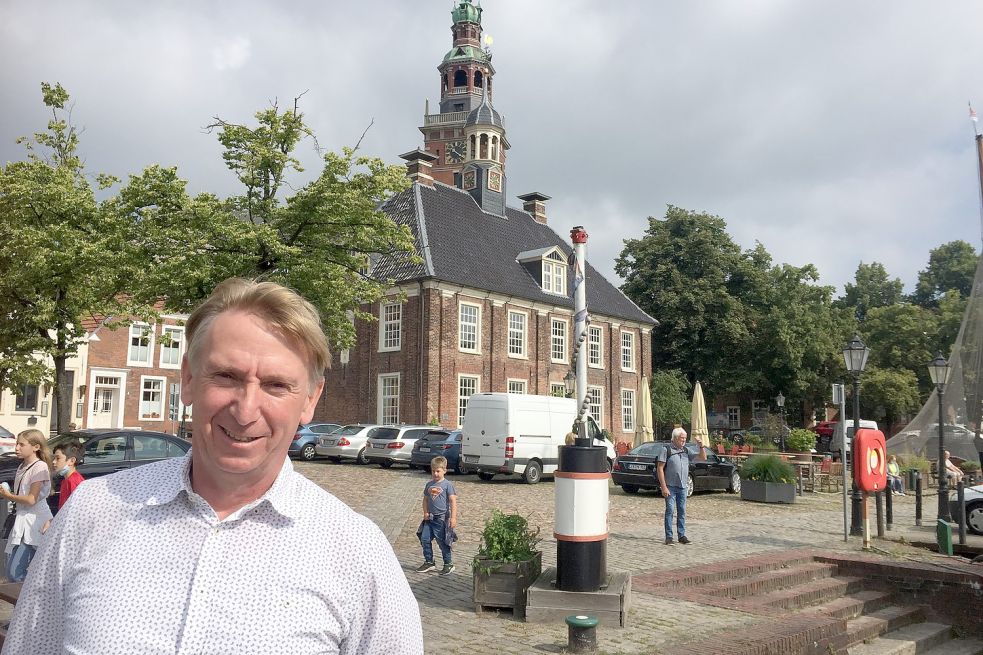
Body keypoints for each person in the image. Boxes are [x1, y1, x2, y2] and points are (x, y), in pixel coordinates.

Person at [3, 278, 423, 654]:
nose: (246, 410)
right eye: (225, 376)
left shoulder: (357, 552)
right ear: (188, 380)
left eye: (277, 385)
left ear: (310, 399)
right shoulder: (92, 513)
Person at [0, 429, 53, 582]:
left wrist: (9, 496)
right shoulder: (22, 466)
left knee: (15, 572)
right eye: (17, 444)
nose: (17, 448)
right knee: (13, 570)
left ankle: (29, 599)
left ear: (36, 447)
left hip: (35, 522)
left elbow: (31, 499)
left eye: (21, 445)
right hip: (23, 521)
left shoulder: (39, 467)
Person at [656, 427, 705, 545]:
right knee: (670, 510)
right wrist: (664, 487)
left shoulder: (686, 451)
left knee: (682, 511)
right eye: (681, 438)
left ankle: (681, 535)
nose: (683, 441)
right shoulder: (666, 449)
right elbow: (660, 468)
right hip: (670, 486)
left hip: (683, 486)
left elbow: (703, 457)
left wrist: (701, 446)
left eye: (685, 439)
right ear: (674, 438)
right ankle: (669, 537)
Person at [417, 455, 458, 576]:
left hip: (441, 519)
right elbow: (425, 500)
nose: (435, 474)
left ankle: (448, 564)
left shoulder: (447, 485)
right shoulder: (429, 485)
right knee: (424, 539)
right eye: (433, 471)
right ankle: (429, 562)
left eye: (438, 471)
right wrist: (425, 512)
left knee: (442, 542)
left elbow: (452, 501)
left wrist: (453, 518)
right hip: (429, 519)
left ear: (444, 470)